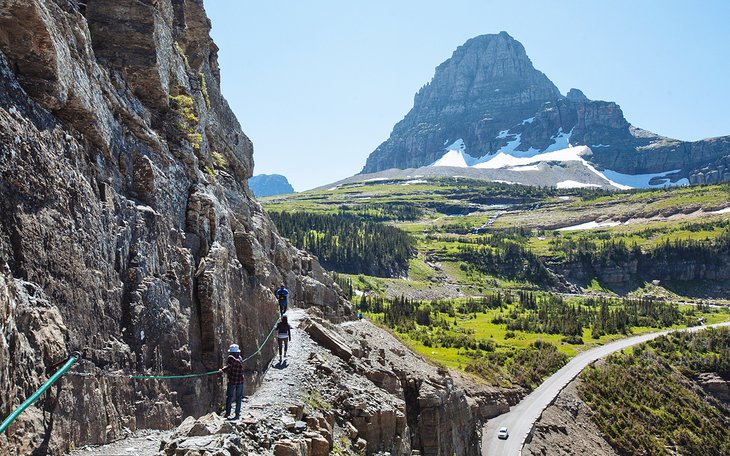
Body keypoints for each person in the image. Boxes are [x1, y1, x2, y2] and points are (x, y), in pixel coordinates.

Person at [219, 343, 244, 420]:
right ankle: (237, 412)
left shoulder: (230, 357)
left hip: (232, 380)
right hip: (240, 380)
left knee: (229, 396)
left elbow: (229, 366)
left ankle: (228, 412)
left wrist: (222, 370)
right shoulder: (240, 358)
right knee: (239, 397)